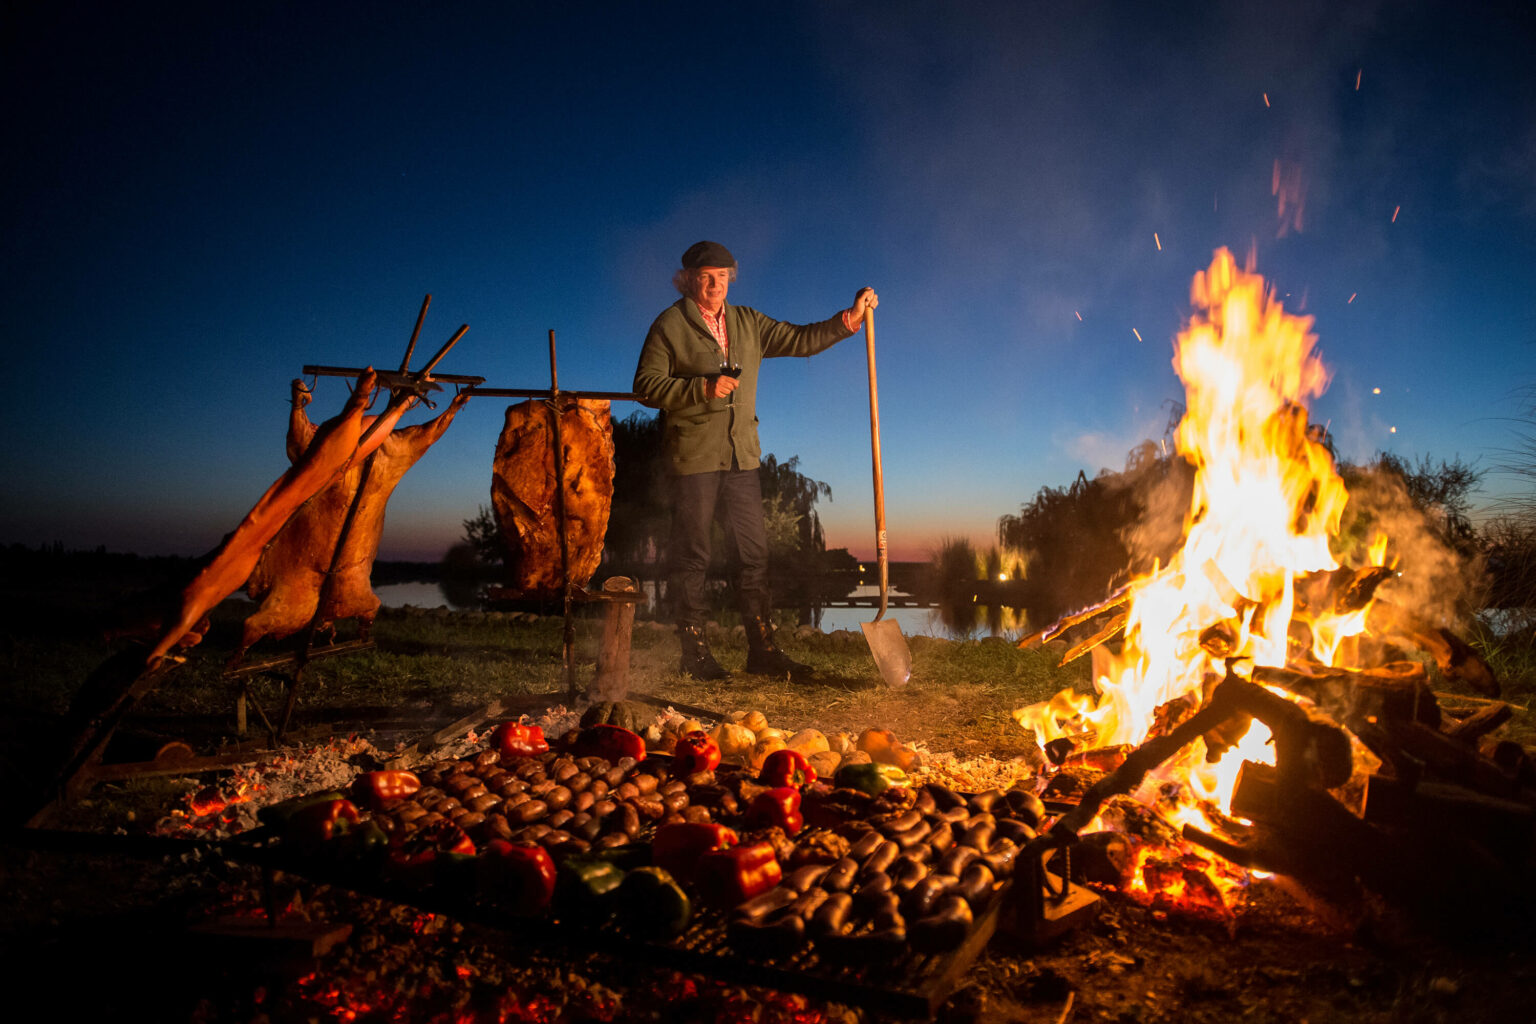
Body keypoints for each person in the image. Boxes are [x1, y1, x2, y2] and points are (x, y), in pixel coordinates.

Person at [633, 240, 877, 681]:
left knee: (753, 555)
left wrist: (851, 318)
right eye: (705, 276)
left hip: (742, 457)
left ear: (731, 278)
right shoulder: (670, 325)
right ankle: (695, 654)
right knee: (693, 556)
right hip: (694, 458)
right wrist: (701, 389)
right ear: (688, 279)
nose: (714, 284)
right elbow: (647, 386)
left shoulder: (747, 322)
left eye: (722, 276)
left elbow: (801, 339)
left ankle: (762, 651)